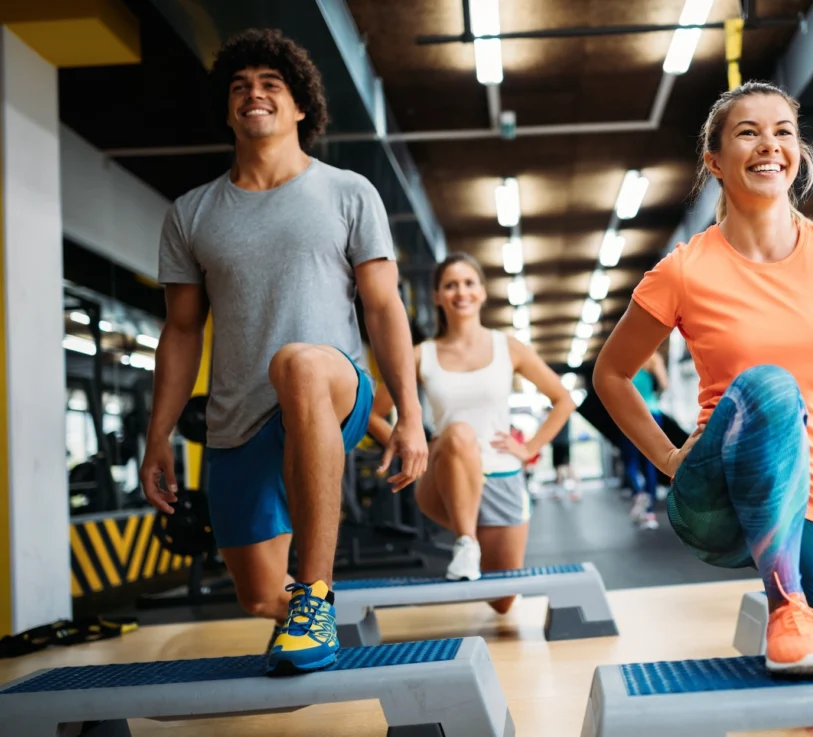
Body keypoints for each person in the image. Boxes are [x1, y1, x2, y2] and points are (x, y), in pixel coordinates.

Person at [594, 81, 813, 674]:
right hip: (720, 494)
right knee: (770, 385)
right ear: (714, 161)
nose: (769, 145)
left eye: (782, 132)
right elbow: (611, 373)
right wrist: (667, 458)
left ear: (798, 154)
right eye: (748, 132)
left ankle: (797, 615)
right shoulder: (685, 270)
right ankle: (785, 604)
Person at [139, 30, 428, 676]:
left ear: (301, 107)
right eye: (240, 86)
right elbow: (182, 331)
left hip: (332, 388)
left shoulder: (348, 193)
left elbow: (383, 306)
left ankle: (318, 595)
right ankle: (300, 605)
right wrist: (158, 434)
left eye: (271, 84)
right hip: (237, 418)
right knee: (259, 593)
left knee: (297, 363)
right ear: (226, 109)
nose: (254, 93)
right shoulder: (191, 214)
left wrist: (409, 413)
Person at [368, 253, 575, 610]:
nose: (460, 292)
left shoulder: (507, 347)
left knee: (502, 602)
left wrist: (530, 448)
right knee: (459, 432)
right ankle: (466, 541)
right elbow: (373, 413)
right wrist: (412, 448)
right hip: (444, 474)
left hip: (501, 477)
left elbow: (563, 400)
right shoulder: (421, 355)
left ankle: (474, 543)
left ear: (481, 292)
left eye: (468, 283)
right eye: (450, 285)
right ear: (437, 297)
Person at [622, 353, 668, 530]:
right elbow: (664, 384)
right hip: (652, 411)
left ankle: (638, 493)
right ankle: (648, 511)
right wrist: (655, 396)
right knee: (651, 461)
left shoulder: (625, 357)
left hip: (630, 414)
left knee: (630, 461)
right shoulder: (654, 359)